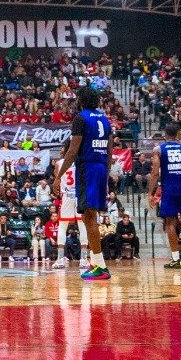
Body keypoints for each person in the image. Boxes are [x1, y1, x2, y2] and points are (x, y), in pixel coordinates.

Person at [54, 85, 112, 281]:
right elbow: (110, 151)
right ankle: (97, 263)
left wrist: (57, 176)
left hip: (87, 167)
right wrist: (106, 175)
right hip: (101, 167)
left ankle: (100, 266)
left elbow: (72, 150)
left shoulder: (81, 118)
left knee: (89, 216)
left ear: (81, 100)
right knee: (88, 217)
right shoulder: (104, 118)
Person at [149, 123, 181, 269]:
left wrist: (150, 193)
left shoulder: (158, 149)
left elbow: (154, 173)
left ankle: (176, 258)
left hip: (169, 189)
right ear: (178, 134)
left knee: (170, 223)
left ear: (165, 134)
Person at [51, 163, 88, 271]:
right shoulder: (81, 159)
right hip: (79, 195)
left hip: (67, 195)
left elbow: (56, 176)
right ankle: (83, 259)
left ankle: (60, 259)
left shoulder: (59, 163)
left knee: (62, 226)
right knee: (82, 226)